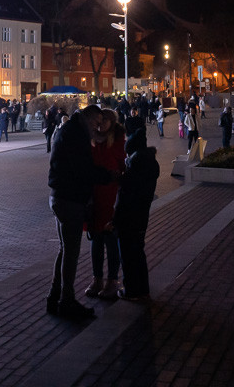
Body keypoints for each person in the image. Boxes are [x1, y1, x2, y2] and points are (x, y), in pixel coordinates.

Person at [46, 104, 115, 321]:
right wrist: (108, 176)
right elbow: (83, 169)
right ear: (90, 118)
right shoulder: (76, 134)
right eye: (96, 123)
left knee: (64, 249)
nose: (97, 127)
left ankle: (55, 296)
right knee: (71, 252)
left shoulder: (69, 129)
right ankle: (66, 300)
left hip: (59, 196)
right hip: (70, 199)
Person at [84, 108, 125, 301]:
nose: (101, 124)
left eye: (105, 120)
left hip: (111, 198)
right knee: (96, 240)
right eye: (99, 120)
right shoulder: (91, 141)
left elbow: (123, 168)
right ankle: (97, 278)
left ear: (112, 122)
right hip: (94, 198)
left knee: (111, 240)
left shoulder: (117, 142)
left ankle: (112, 280)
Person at [114, 124, 158, 301]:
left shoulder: (135, 165)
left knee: (128, 255)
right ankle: (143, 289)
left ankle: (131, 290)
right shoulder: (149, 164)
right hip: (141, 216)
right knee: (138, 252)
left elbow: (125, 195)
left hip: (128, 218)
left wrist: (120, 178)